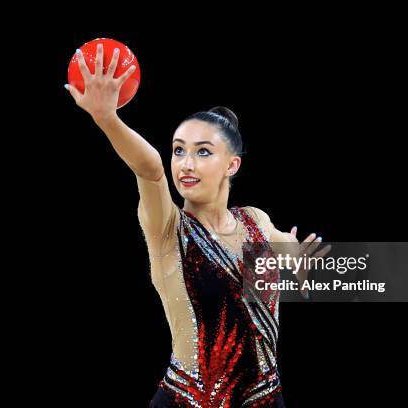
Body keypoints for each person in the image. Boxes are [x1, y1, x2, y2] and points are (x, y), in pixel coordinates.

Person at [65, 44, 330, 407]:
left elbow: (291, 253)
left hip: (266, 400)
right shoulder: (168, 228)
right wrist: (107, 118)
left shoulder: (255, 220)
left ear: (231, 165)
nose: (185, 164)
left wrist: (301, 261)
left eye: (203, 152)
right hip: (187, 400)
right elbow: (149, 168)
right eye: (179, 150)